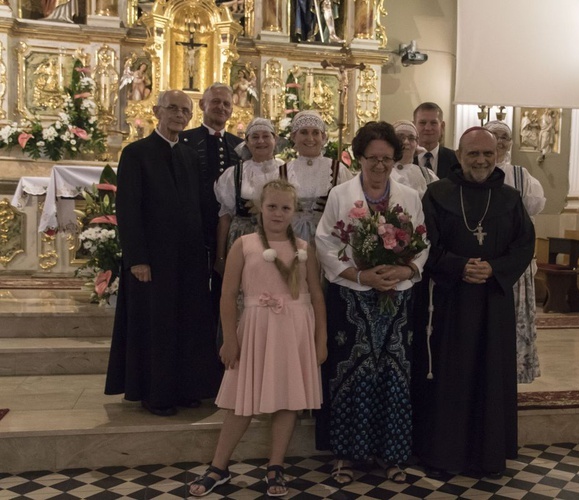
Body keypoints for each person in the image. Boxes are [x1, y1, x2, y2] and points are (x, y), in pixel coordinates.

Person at [189, 179, 327, 498]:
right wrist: (230, 339)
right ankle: (219, 466)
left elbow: (317, 295)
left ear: (294, 211)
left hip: (296, 331)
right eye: (272, 207)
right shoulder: (245, 244)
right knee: (241, 401)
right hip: (255, 328)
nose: (278, 213)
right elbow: (227, 294)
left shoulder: (305, 249)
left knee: (287, 399)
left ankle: (276, 465)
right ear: (259, 208)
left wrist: (321, 340)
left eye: (285, 208)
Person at [412, 127, 535, 477]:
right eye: (473, 154)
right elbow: (425, 244)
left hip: (494, 302)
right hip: (451, 301)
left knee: (490, 376)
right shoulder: (437, 194)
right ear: (460, 155)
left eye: (488, 154)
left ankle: (488, 456)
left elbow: (524, 245)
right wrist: (459, 266)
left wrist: (493, 269)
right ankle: (444, 455)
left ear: (497, 156)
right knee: (452, 376)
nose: (481, 161)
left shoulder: (510, 198)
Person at [315, 121, 428, 485]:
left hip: (396, 299)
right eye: (372, 158)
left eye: (387, 159)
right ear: (359, 157)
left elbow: (422, 244)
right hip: (352, 298)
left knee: (395, 375)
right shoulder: (340, 195)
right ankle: (346, 455)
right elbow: (326, 244)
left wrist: (405, 270)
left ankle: (392, 455)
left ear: (396, 158)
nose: (380, 166)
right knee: (351, 375)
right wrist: (362, 276)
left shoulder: (410, 197)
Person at [104, 90, 223, 416]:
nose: (179, 115)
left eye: (185, 111)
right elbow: (127, 209)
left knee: (186, 324)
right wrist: (137, 259)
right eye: (173, 109)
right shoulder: (136, 153)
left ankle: (185, 388)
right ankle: (155, 394)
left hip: (188, 260)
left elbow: (199, 207)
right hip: (153, 261)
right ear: (157, 111)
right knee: (157, 327)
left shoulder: (187, 155)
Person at [484, 120, 545, 384]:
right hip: (484, 260)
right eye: (494, 135)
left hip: (514, 264)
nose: (499, 141)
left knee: (514, 319)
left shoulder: (522, 176)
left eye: (505, 136)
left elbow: (531, 212)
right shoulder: (474, 171)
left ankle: (514, 370)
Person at [180, 83, 244, 334]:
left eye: (227, 103)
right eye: (216, 102)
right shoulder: (185, 140)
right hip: (193, 228)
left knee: (224, 290)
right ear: (202, 105)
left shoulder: (240, 146)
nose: (221, 107)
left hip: (229, 233)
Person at [214, 117, 284, 272]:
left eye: (266, 136)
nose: (261, 141)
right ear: (246, 142)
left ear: (275, 139)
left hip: (278, 239)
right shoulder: (234, 174)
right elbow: (225, 218)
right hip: (242, 240)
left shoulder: (287, 171)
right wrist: (220, 257)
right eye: (255, 137)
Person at [282, 110, 353, 242]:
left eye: (315, 133)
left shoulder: (338, 170)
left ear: (323, 137)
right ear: (293, 137)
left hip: (329, 237)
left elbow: (350, 207)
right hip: (290, 238)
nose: (310, 138)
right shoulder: (282, 171)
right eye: (304, 132)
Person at [390, 119, 438, 197]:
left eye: (411, 138)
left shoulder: (427, 175)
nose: (406, 142)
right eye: (401, 137)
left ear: (416, 143)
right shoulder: (383, 171)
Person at [413, 102, 458, 179]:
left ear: (442, 126)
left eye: (433, 123)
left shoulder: (455, 160)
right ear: (413, 125)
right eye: (422, 123)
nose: (428, 128)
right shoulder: (404, 158)